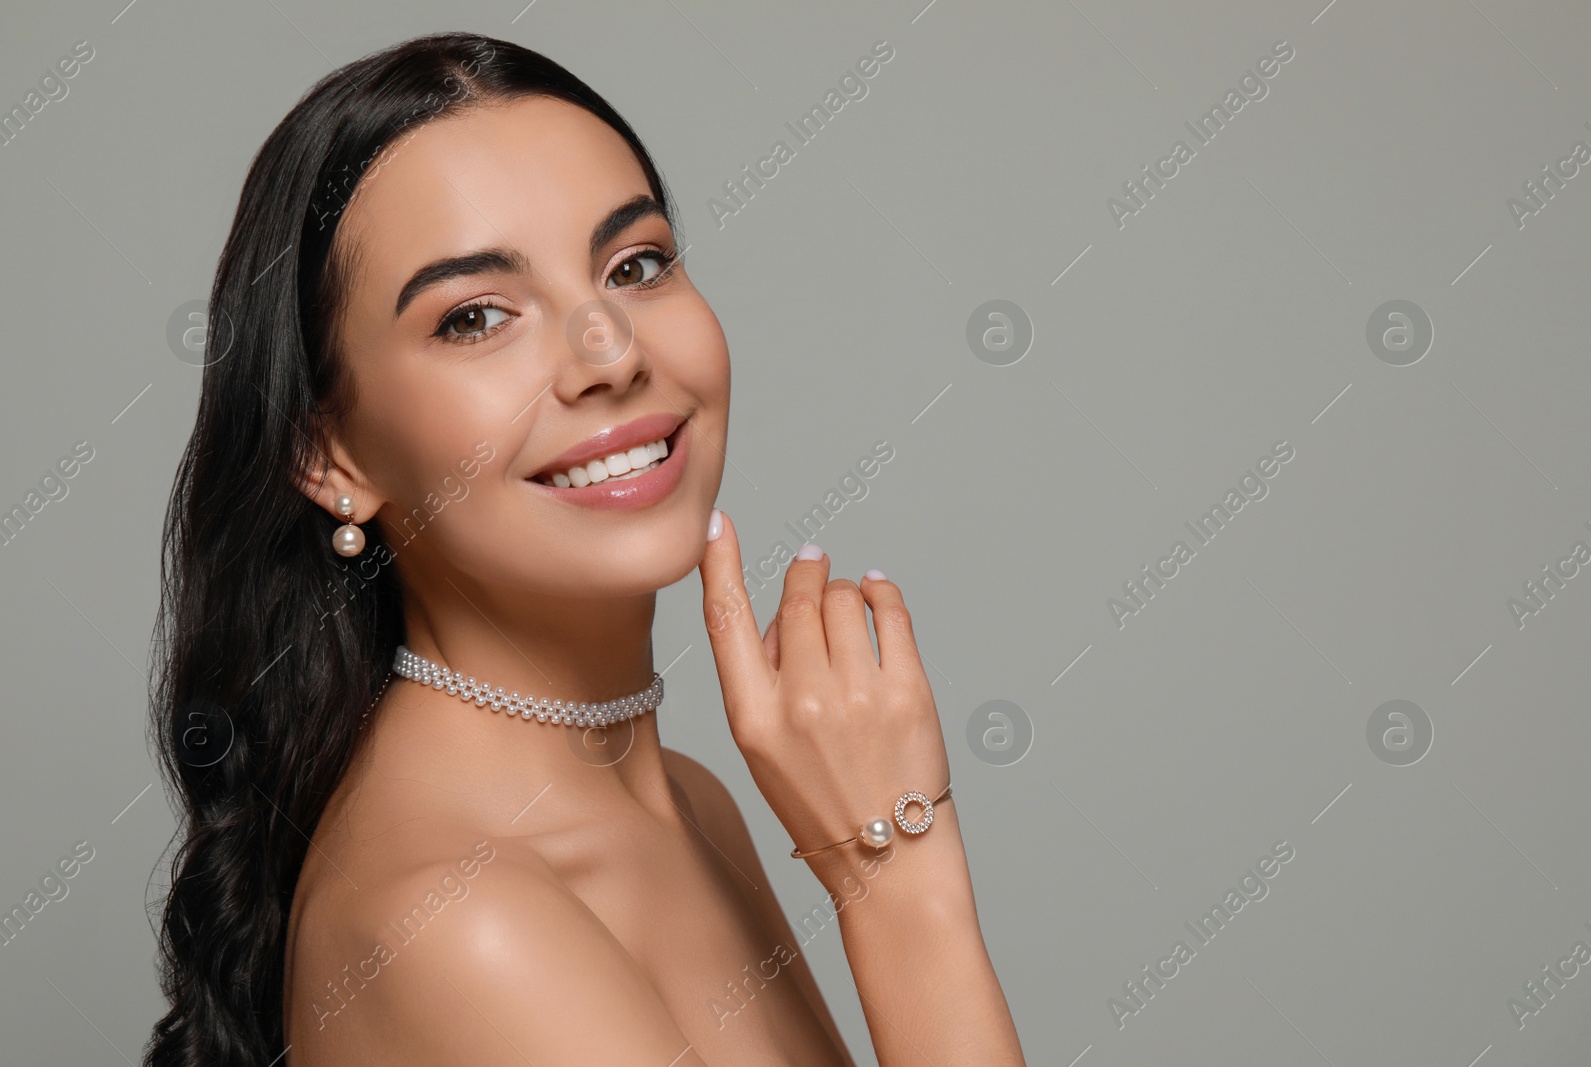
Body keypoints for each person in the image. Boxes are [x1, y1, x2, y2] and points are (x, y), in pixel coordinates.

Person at [146, 31, 1025, 1066]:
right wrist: (900, 874)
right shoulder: (462, 925)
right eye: (475, 316)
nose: (608, 351)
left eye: (635, 263)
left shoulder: (690, 801)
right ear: (330, 452)